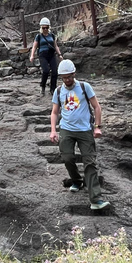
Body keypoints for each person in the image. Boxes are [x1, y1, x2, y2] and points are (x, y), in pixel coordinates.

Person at [49, 60, 110, 211]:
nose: (67, 80)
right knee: (67, 158)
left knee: (90, 162)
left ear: (74, 74)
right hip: (66, 129)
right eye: (64, 78)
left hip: (84, 130)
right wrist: (53, 130)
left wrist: (97, 127)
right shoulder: (58, 91)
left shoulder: (84, 86)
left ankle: (96, 199)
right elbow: (55, 112)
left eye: (69, 77)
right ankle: (77, 180)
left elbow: (96, 107)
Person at [29, 17, 62, 96]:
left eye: (46, 27)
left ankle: (53, 88)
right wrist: (32, 55)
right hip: (42, 54)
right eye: (43, 28)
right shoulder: (39, 36)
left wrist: (59, 54)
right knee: (46, 70)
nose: (45, 29)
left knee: (54, 71)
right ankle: (43, 86)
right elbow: (34, 47)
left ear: (49, 27)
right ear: (41, 28)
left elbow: (55, 46)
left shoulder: (52, 35)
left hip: (51, 54)